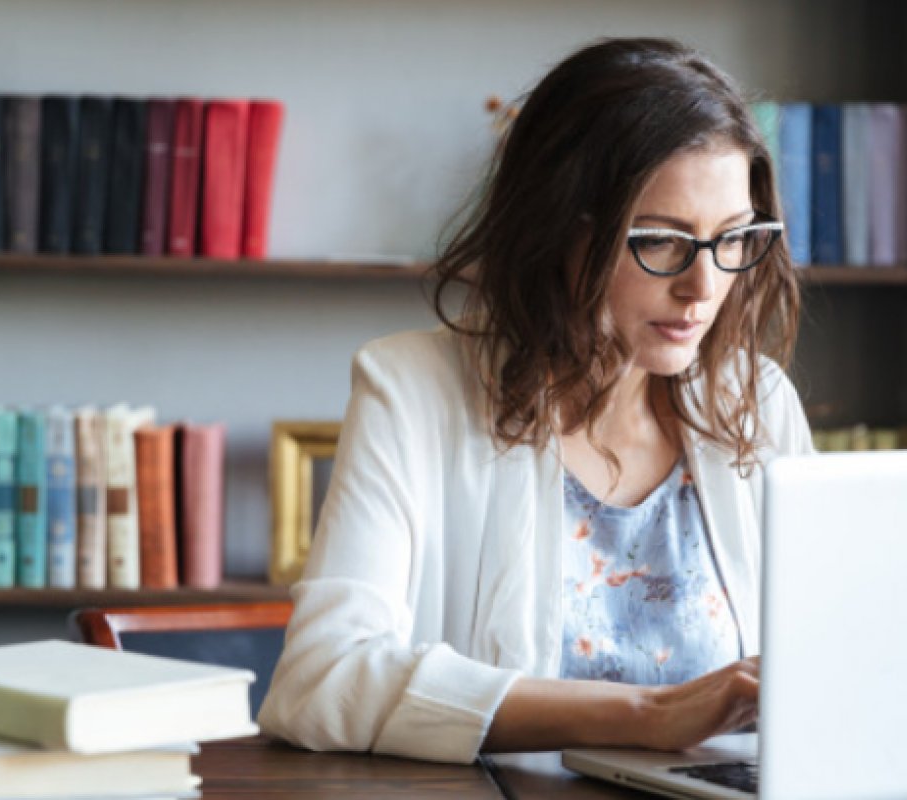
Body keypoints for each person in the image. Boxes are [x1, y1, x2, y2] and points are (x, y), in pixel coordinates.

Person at [256, 37, 814, 764]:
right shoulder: (412, 391)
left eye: (733, 239)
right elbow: (321, 680)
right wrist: (647, 713)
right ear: (559, 231)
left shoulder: (758, 401)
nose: (703, 288)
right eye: (661, 242)